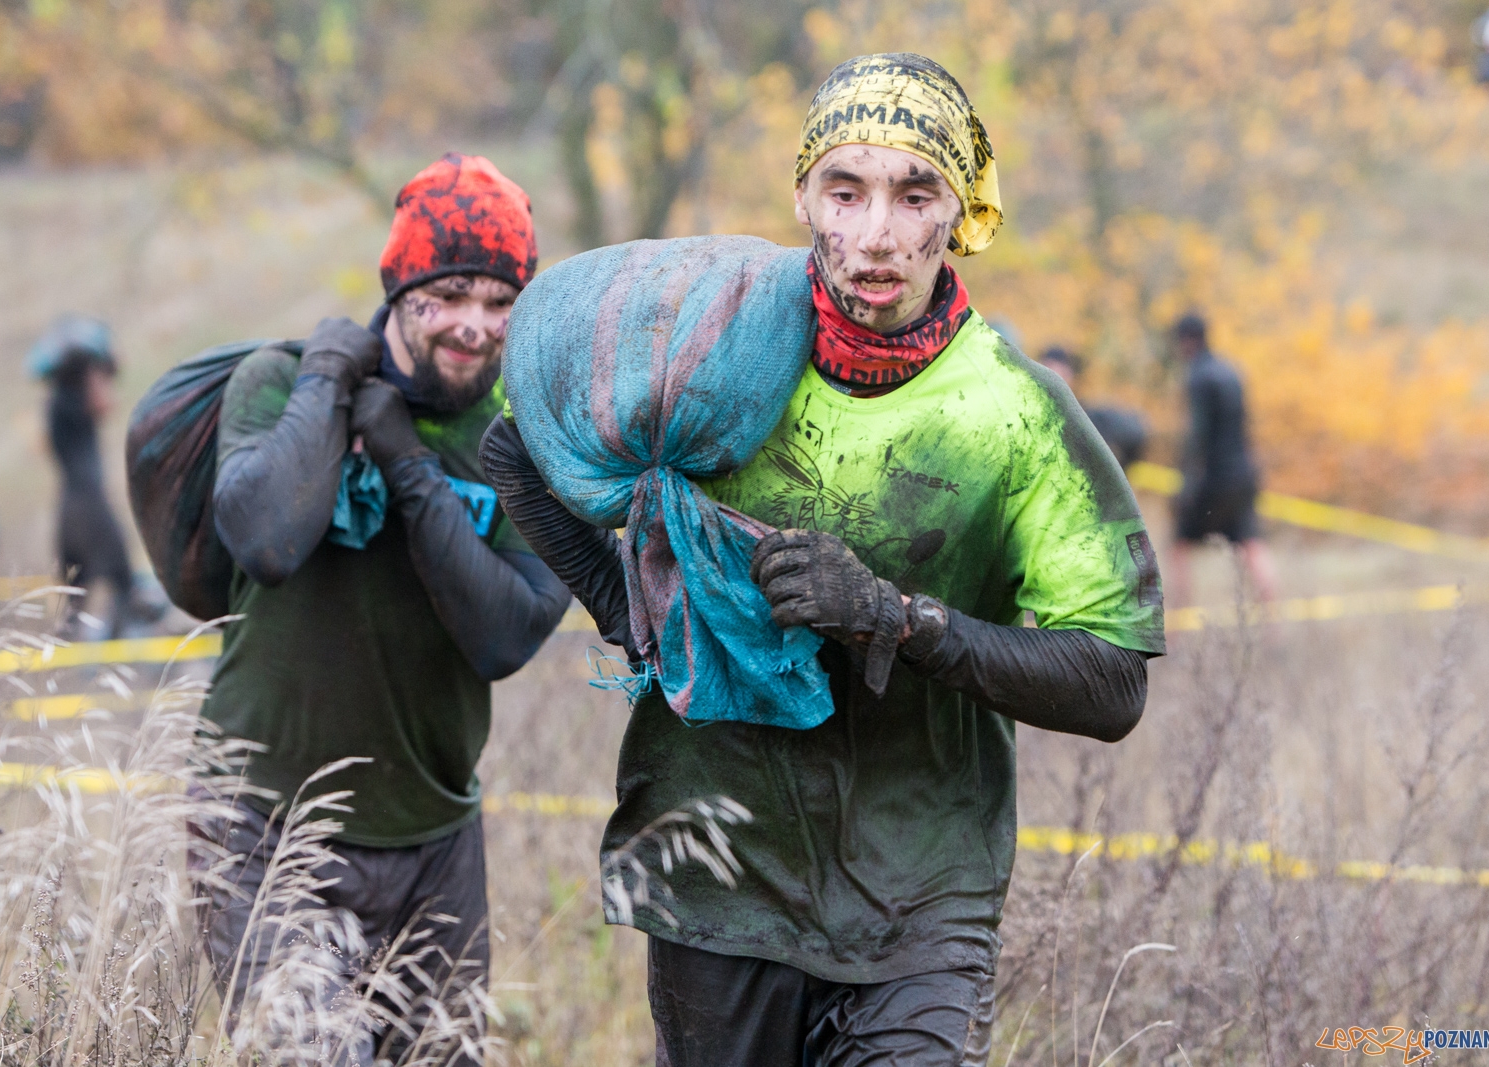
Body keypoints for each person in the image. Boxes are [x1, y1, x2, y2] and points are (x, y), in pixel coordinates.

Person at [482, 53, 1166, 1066]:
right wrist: (625, 605)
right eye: (844, 191)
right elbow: (513, 449)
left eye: (912, 192)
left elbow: (1110, 682)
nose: (876, 234)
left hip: (920, 895)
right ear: (802, 195)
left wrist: (899, 620)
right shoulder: (710, 342)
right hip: (714, 872)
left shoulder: (1012, 412)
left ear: (958, 209)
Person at [192, 152, 571, 1064]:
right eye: (447, 295)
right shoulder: (282, 384)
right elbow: (268, 540)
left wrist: (407, 464)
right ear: (399, 289)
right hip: (263, 826)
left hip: (433, 841)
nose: (474, 326)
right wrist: (327, 379)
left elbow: (505, 632)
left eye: (500, 300)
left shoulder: (528, 436)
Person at [31, 316, 139, 639]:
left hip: (70, 509)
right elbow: (105, 403)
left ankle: (71, 660)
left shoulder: (57, 403)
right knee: (123, 582)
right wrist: (99, 369)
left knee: (76, 594)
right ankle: (111, 655)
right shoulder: (71, 404)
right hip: (90, 507)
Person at [1169, 312, 1276, 606]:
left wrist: (1186, 486)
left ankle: (1176, 629)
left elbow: (1197, 436)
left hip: (1213, 479)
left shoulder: (1197, 377)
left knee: (1178, 546)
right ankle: (1273, 624)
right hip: (1242, 472)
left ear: (1186, 341)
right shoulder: (1231, 371)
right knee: (1251, 543)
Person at [1039, 345, 1149, 468]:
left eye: (1060, 375)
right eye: (1047, 372)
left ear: (1072, 378)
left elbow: (1135, 431)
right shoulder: (1029, 418)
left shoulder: (1089, 417)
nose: (1052, 384)